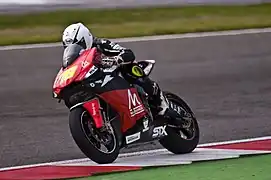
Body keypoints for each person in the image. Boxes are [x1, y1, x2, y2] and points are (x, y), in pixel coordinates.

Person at [62, 22, 185, 126]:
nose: (75, 49)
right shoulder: (75, 60)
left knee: (131, 69)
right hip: (98, 83)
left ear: (85, 38)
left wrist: (117, 59)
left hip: (116, 75)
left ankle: (161, 104)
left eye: (78, 45)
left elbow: (127, 53)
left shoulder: (101, 44)